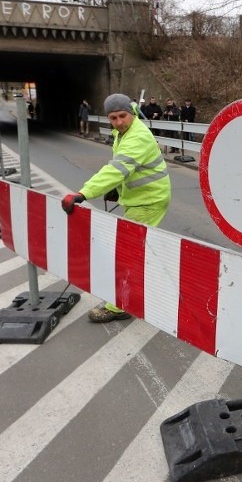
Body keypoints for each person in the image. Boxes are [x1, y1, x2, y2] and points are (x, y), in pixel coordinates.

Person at [61, 93, 172, 322]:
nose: (119, 122)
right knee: (137, 250)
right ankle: (141, 290)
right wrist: (118, 189)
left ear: (131, 113)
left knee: (127, 254)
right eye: (113, 118)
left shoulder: (137, 137)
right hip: (141, 199)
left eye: (123, 116)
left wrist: (83, 193)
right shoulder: (123, 133)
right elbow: (128, 168)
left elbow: (118, 168)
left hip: (147, 201)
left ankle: (118, 307)